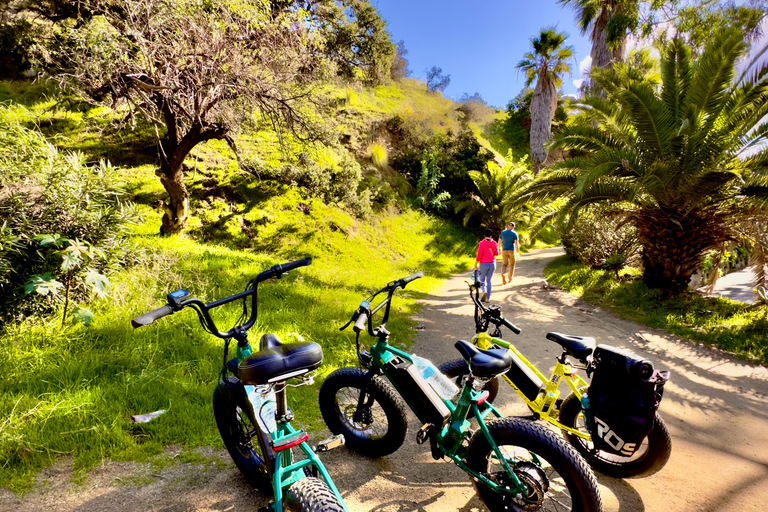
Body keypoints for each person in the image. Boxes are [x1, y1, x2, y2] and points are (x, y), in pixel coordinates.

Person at [473, 228, 499, 302]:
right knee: (489, 280)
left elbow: (479, 254)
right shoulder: (494, 243)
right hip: (492, 264)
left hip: (483, 264)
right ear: (491, 235)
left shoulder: (481, 243)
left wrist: (476, 264)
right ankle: (488, 298)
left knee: (481, 279)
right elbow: (496, 253)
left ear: (484, 235)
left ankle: (483, 291)